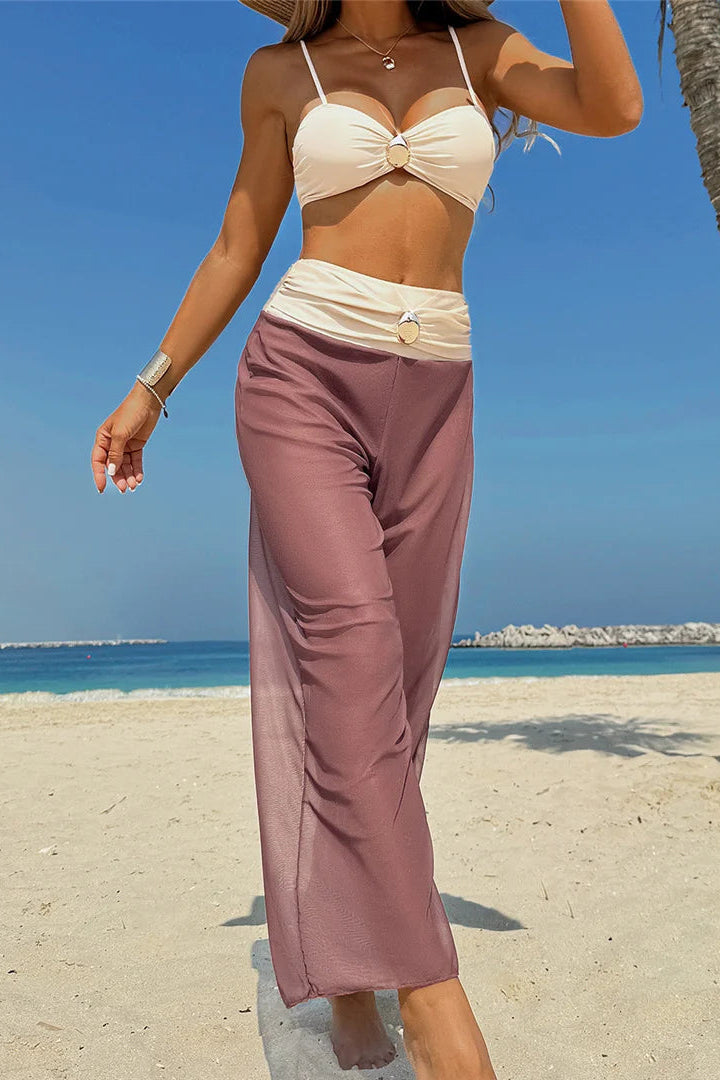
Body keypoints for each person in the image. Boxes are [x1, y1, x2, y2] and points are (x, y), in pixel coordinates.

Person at [90, 1, 642, 1076]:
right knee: (350, 650)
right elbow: (238, 243)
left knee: (395, 694)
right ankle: (434, 1010)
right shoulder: (279, 67)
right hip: (300, 375)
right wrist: (151, 388)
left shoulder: (482, 53)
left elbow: (613, 106)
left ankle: (349, 970)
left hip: (437, 392)